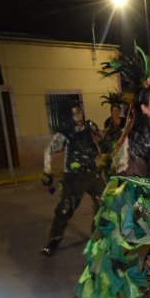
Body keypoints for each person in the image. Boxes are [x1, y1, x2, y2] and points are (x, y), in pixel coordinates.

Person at [67, 84, 150, 298]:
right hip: (131, 196)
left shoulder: (139, 128)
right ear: (143, 108)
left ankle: (141, 288)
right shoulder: (148, 130)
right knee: (115, 249)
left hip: (139, 193)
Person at [40, 102, 105, 256]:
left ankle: (98, 234)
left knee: (105, 203)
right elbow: (48, 150)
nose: (79, 117)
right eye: (75, 114)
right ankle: (54, 240)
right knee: (65, 208)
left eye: (80, 113)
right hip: (73, 177)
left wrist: (104, 145)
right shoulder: (65, 133)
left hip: (92, 173)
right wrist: (47, 172)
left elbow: (101, 142)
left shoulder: (90, 127)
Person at [99, 98, 126, 181]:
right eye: (114, 111)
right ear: (111, 112)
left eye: (118, 110)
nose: (116, 113)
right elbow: (106, 133)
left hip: (121, 148)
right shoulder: (108, 121)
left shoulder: (124, 120)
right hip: (111, 149)